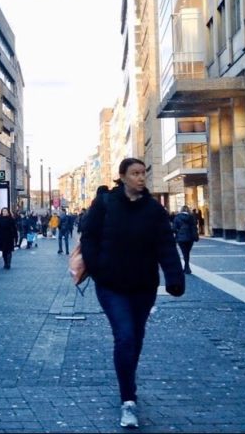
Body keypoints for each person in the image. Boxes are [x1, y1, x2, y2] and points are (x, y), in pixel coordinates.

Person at [80, 158, 184, 429]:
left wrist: (174, 277)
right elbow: (88, 236)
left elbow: (166, 245)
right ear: (123, 177)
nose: (141, 178)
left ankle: (128, 378)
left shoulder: (154, 210)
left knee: (136, 338)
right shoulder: (105, 204)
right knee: (125, 336)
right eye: (135, 173)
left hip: (143, 285)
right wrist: (96, 267)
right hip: (111, 285)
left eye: (143, 173)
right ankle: (128, 400)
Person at [172, 205, 199, 274]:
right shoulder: (191, 217)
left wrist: (177, 232)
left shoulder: (177, 217)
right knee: (187, 252)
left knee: (184, 252)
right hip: (190, 238)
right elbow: (194, 227)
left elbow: (174, 229)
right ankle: (187, 267)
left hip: (181, 238)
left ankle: (186, 267)